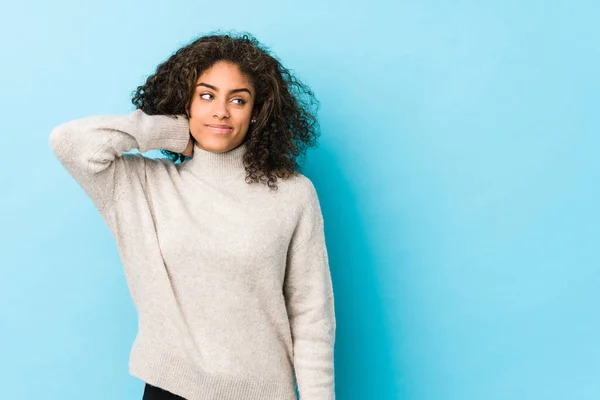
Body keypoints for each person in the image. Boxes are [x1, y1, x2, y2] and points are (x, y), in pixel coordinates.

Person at [48, 32, 336, 400]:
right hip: (170, 390)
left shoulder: (293, 193)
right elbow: (68, 141)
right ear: (185, 100)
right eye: (206, 95)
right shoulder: (143, 186)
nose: (221, 111)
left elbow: (312, 318)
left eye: (238, 100)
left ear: (257, 111)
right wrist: (171, 130)